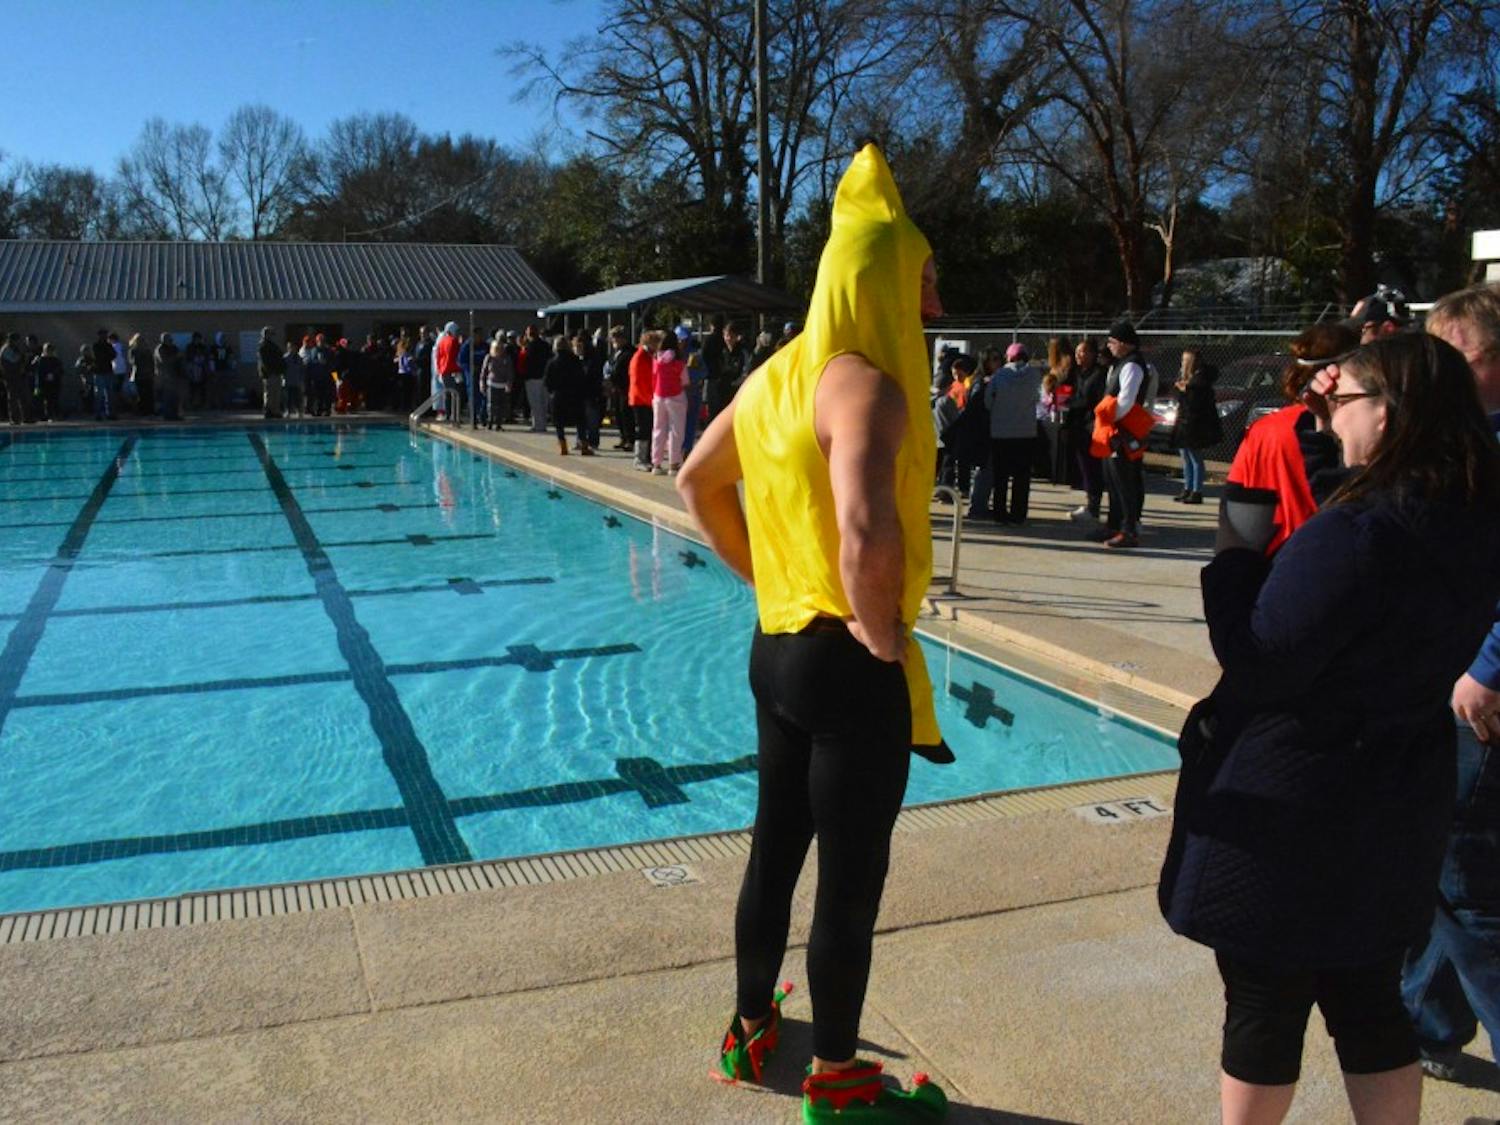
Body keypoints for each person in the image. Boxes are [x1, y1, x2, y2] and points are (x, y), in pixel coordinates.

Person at [1159, 331, 1500, 1125]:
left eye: (1344, 403)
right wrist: (1332, 476)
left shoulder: (1358, 536)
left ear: (1393, 414)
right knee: (1367, 994)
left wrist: (1236, 556)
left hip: (1302, 798)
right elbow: (1372, 601)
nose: (1331, 417)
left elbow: (1262, 659)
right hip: (1397, 788)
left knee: (1265, 1001)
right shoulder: (1470, 520)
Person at [676, 143, 949, 1121]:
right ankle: (838, 1082)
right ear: (883, 275)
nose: (937, 307)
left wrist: (770, 579)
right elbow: (869, 532)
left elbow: (695, 483)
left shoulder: (774, 376)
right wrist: (880, 638)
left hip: (776, 654)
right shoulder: (865, 384)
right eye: (926, 282)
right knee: (850, 884)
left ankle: (751, 1032)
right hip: (844, 661)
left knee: (773, 850)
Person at [1399, 282, 1500, 1082]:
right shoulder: (1470, 439)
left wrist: (1486, 670)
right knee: (1443, 866)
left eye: (1453, 355)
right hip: (1450, 683)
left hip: (1479, 696)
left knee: (1468, 890)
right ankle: (1425, 1020)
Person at [1224, 322, 1359, 557]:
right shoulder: (1358, 429)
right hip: (1333, 554)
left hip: (1276, 557)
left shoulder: (1263, 430)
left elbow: (1237, 513)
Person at [1089, 321, 1156, 549]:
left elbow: (1126, 400)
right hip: (1113, 430)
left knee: (1124, 480)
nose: (1109, 346)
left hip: (1123, 432)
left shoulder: (1132, 366)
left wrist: (1110, 416)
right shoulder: (1119, 364)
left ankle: (1129, 529)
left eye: (1113, 342)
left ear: (1125, 344)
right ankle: (1114, 524)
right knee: (1112, 479)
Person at [984, 341, 1040, 524]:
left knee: (1001, 477)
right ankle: (1018, 514)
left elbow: (987, 403)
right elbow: (1038, 398)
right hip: (1026, 432)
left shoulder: (999, 376)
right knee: (1022, 477)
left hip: (1001, 432)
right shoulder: (1034, 375)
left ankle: (1000, 513)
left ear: (1009, 357)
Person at [1170, 349, 1222, 504]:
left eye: (1187, 360)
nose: (1184, 363)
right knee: (1184, 456)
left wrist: (1186, 390)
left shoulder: (1201, 380)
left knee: (1195, 457)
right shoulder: (1185, 377)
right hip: (1183, 421)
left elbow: (1196, 401)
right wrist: (1181, 389)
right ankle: (1187, 487)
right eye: (1183, 360)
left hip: (1195, 424)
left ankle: (1196, 490)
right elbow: (1179, 397)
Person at [1066, 338, 1109, 525]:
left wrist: (1073, 403)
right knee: (1084, 466)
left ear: (1092, 354)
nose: (1078, 355)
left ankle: (1094, 507)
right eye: (1077, 352)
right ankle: (1090, 503)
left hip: (1091, 426)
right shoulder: (1076, 373)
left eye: (1082, 351)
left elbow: (1093, 401)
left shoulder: (1099, 375)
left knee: (1093, 468)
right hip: (1077, 425)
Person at [543, 333, 588, 455]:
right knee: (580, 421)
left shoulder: (552, 362)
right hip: (574, 394)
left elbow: (547, 381)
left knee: (558, 422)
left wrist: (552, 390)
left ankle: (563, 445)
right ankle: (584, 445)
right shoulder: (575, 360)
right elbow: (582, 377)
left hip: (558, 395)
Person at [650, 331, 687, 474]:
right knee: (676, 431)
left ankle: (656, 464)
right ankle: (673, 464)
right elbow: (685, 381)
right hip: (676, 396)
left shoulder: (655, 359)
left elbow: (653, 379)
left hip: (658, 396)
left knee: (658, 429)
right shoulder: (679, 362)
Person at [628, 330, 657, 470]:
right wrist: (649, 399)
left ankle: (646, 458)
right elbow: (638, 382)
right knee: (643, 429)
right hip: (640, 399)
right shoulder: (640, 357)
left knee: (648, 428)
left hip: (646, 398)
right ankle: (639, 459)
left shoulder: (648, 356)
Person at [482, 340, 513, 430]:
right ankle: (490, 421)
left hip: (502, 385)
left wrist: (509, 383)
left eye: (500, 348)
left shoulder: (507, 358)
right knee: (491, 404)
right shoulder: (489, 357)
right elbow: (484, 371)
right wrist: (482, 383)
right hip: (492, 383)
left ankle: (498, 423)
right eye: (497, 348)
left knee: (501, 405)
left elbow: (510, 372)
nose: (499, 350)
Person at [155, 333, 184, 420]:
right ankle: (167, 415)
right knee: (167, 396)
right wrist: (176, 357)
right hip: (165, 376)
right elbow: (164, 360)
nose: (170, 341)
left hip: (174, 374)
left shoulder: (173, 348)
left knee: (175, 396)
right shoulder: (160, 349)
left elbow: (179, 359)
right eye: (168, 339)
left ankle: (175, 414)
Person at [257, 327, 284, 419]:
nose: (270, 336)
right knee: (269, 393)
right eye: (268, 334)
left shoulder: (273, 345)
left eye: (271, 334)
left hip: (277, 373)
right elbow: (264, 362)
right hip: (269, 374)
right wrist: (270, 371)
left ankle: (275, 410)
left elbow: (280, 356)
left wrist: (280, 370)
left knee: (276, 393)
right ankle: (268, 410)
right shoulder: (262, 346)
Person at [0, 334, 27, 425]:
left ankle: (26, 417)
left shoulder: (14, 349)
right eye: (16, 340)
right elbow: (14, 360)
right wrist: (22, 356)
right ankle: (15, 419)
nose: (17, 342)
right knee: (12, 398)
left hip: (17, 376)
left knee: (23, 396)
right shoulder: (6, 349)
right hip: (10, 377)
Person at [90, 329, 116, 421]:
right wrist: (106, 356)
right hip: (99, 372)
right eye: (102, 335)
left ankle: (110, 413)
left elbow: (113, 355)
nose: (104, 337)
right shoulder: (96, 346)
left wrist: (106, 356)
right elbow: (97, 357)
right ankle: (98, 414)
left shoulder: (109, 346)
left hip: (108, 371)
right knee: (99, 394)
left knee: (110, 394)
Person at [128, 333, 155, 418]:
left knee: (149, 393)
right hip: (138, 375)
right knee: (140, 394)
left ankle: (150, 410)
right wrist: (139, 354)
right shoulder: (133, 351)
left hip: (147, 375)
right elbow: (133, 362)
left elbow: (151, 362)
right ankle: (142, 411)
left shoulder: (147, 351)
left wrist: (152, 372)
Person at [282, 337, 305, 419]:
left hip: (297, 381)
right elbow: (282, 370)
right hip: (288, 381)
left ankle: (299, 411)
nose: (292, 348)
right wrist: (283, 379)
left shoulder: (299, 358)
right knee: (288, 398)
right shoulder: (285, 358)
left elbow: (302, 370)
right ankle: (288, 411)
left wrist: (302, 381)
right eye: (290, 347)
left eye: (293, 347)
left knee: (298, 398)